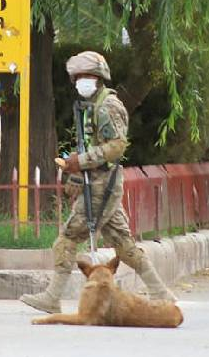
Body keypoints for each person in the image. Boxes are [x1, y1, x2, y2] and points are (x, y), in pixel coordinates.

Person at [20, 51, 176, 314]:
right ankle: (161, 292)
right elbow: (95, 147)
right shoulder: (94, 106)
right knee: (124, 244)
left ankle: (52, 296)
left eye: (86, 76)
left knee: (67, 238)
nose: (81, 81)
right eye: (78, 77)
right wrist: (76, 174)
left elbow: (115, 147)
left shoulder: (107, 107)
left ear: (99, 78)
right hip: (99, 182)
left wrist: (79, 163)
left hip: (102, 184)